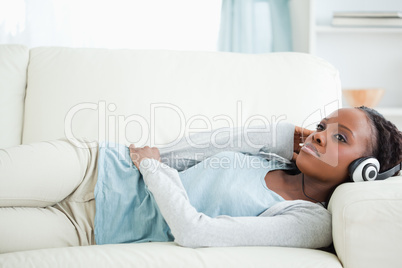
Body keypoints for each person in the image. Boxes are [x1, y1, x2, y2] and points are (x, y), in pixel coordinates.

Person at [0, 106, 401, 253]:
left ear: (363, 171)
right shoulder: (274, 156)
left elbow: (195, 230)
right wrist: (279, 134)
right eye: (322, 124)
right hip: (93, 165)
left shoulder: (308, 221)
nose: (318, 134)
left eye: (340, 138)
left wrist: (154, 170)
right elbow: (178, 151)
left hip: (91, 229)